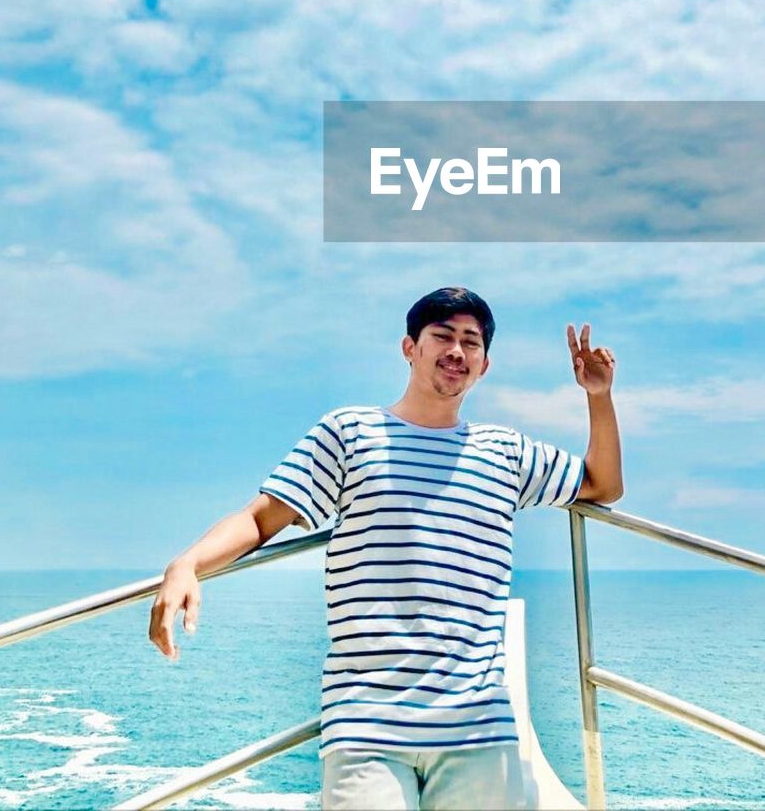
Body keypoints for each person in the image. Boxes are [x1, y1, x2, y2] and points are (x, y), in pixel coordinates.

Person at [149, 286, 623, 810]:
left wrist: (597, 397)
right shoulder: (350, 432)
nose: (457, 351)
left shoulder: (506, 452)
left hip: (478, 723)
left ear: (485, 365)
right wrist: (187, 563)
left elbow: (602, 485)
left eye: (471, 342)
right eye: (442, 336)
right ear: (409, 348)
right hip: (366, 722)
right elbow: (262, 519)